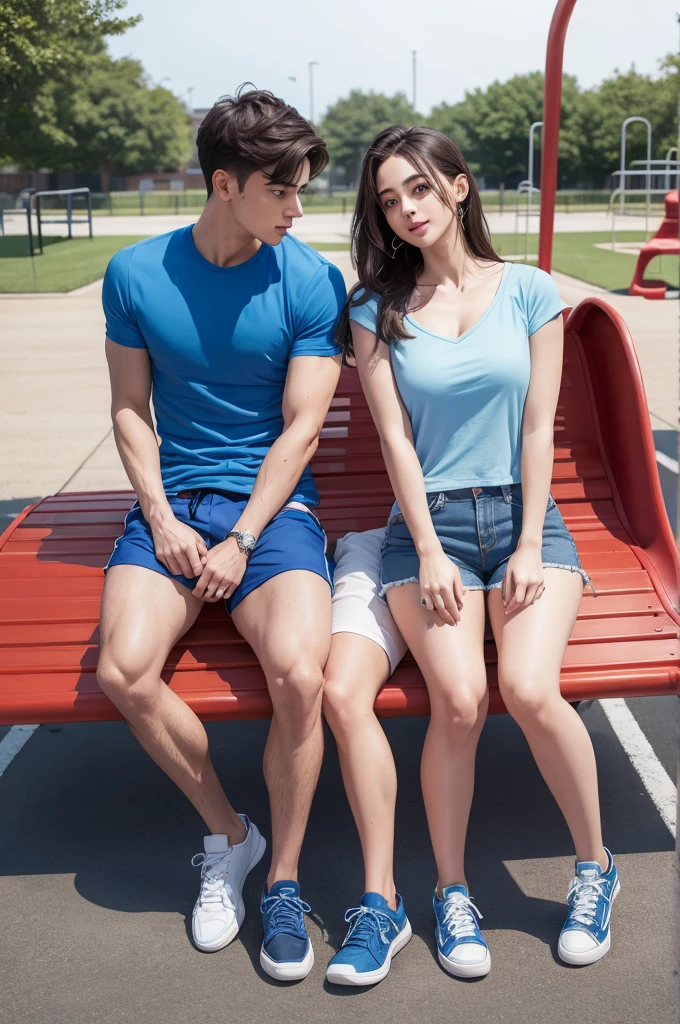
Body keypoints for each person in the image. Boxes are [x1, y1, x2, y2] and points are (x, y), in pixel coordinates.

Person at [323, 124, 619, 983]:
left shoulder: (530, 291)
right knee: (458, 698)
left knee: (526, 689)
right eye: (387, 199)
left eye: (418, 188)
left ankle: (595, 868)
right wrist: (427, 547)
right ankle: (452, 894)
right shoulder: (373, 310)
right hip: (431, 532)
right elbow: (394, 443)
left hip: (527, 525)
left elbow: (538, 428)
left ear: (458, 186)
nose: (405, 209)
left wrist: (529, 540)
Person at [96, 88, 345, 982]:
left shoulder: (312, 280)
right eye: (283, 191)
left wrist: (240, 538)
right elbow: (130, 411)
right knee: (122, 670)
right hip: (174, 509)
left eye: (303, 190)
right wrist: (161, 519)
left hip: (271, 516)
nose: (299, 208)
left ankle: (281, 880)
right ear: (224, 183)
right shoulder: (134, 274)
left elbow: (302, 430)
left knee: (299, 670)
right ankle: (231, 837)